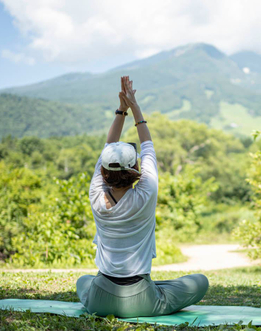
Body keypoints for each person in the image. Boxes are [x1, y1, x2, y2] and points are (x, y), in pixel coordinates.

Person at [76, 76, 209, 318]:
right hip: (140, 300)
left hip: (99, 300)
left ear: (103, 172)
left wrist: (121, 110)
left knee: (84, 281)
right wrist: (134, 106)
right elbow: (147, 144)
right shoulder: (146, 194)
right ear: (135, 170)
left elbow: (109, 145)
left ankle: (141, 291)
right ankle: (153, 291)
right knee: (200, 282)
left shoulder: (95, 194)